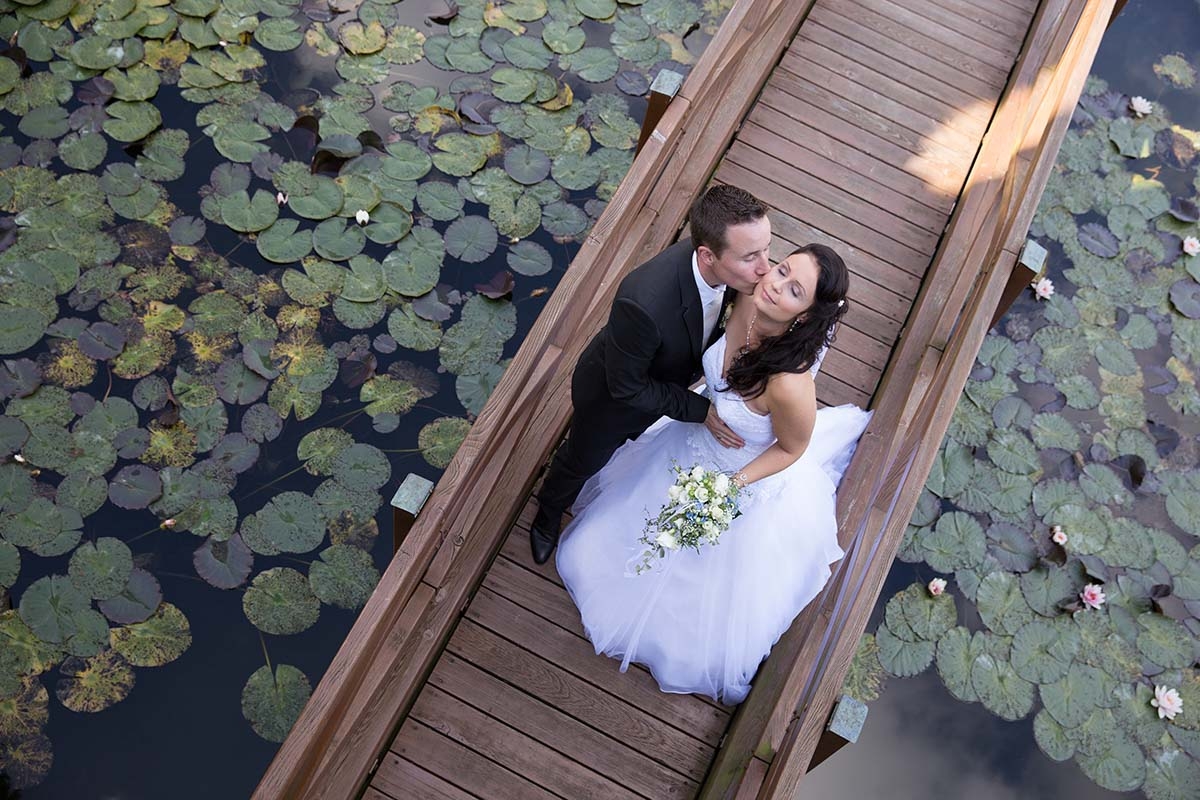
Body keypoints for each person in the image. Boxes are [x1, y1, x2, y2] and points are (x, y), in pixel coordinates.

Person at [555, 244, 872, 704]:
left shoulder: (789, 386)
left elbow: (791, 449)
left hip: (735, 473)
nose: (775, 285)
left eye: (793, 290)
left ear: (803, 316)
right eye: (782, 270)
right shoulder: (745, 296)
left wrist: (728, 488)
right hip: (691, 439)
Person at [529, 185, 773, 565]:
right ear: (707, 256)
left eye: (767, 249)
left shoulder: (741, 274)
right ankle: (546, 515)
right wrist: (700, 410)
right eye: (751, 257)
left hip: (668, 380)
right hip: (612, 401)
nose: (765, 268)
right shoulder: (643, 302)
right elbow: (626, 386)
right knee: (582, 459)